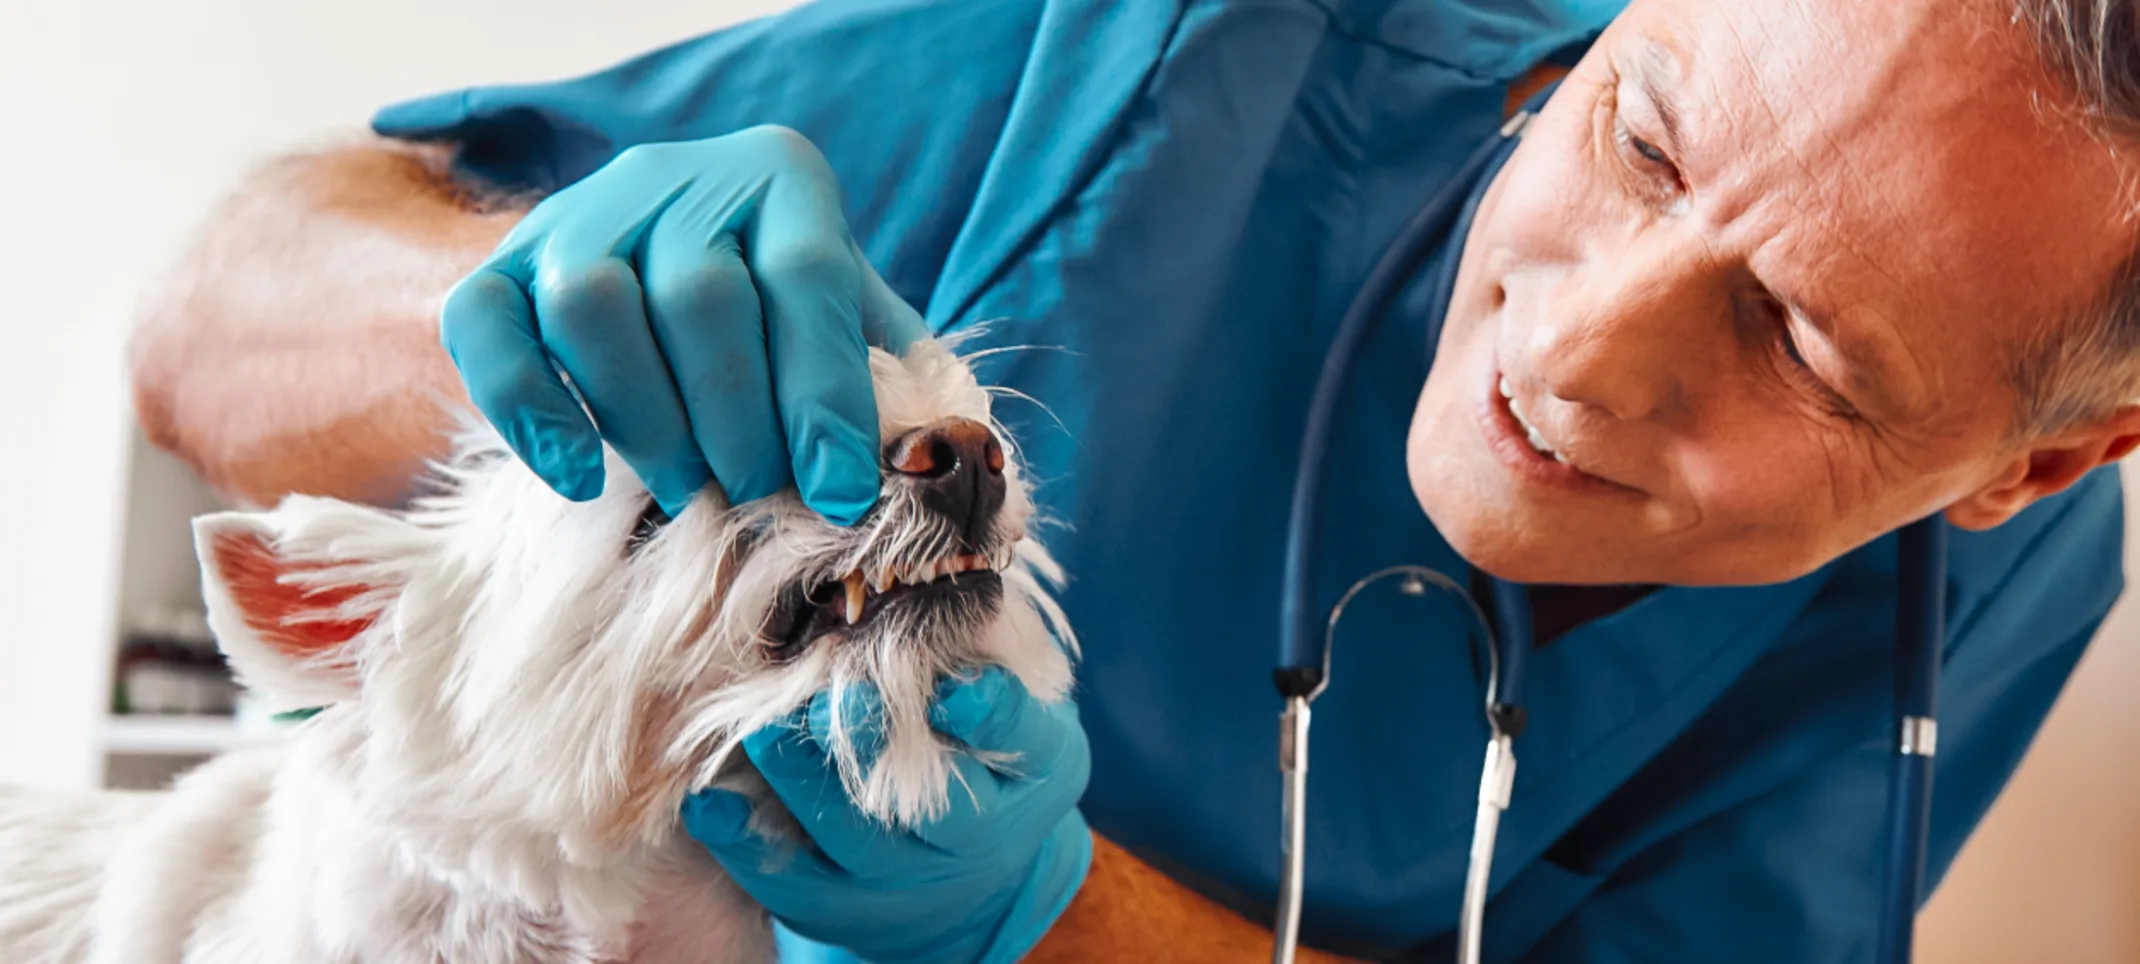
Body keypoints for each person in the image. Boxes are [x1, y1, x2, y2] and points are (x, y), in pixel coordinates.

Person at [127, 0, 2140, 959]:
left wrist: (1055, 916)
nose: (1572, 347)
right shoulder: (1183, 65)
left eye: (1794, 340)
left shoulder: (1990, 601)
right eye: (1637, 137)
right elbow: (211, 325)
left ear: (2029, 457)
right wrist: (527, 318)